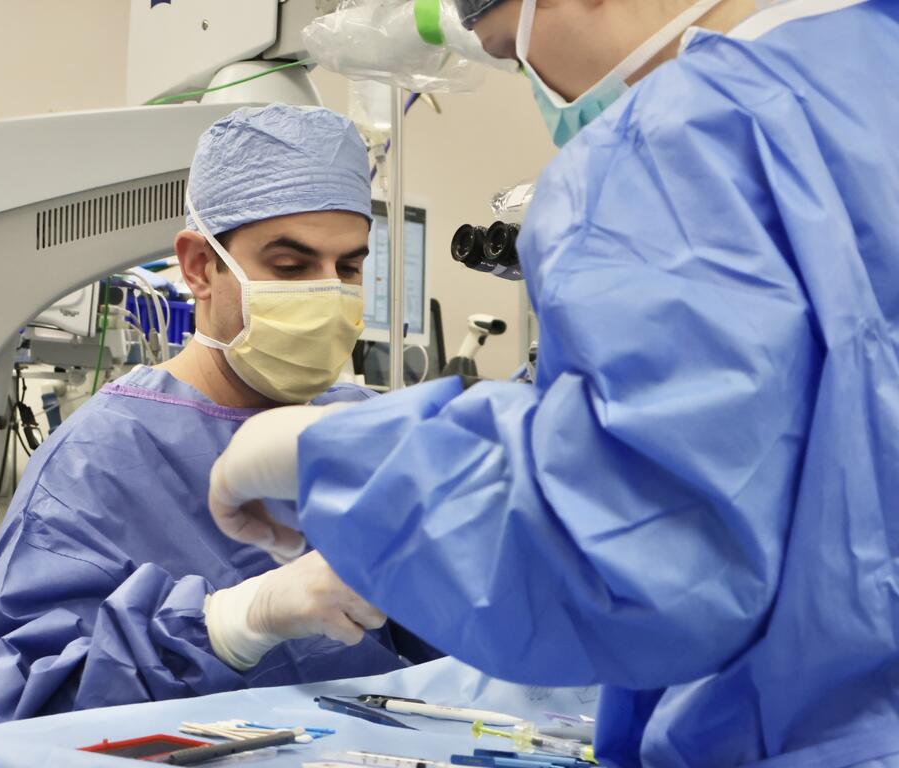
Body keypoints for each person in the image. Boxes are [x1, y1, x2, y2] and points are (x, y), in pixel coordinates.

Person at [206, 2, 899, 766]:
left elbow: (630, 555)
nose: (541, 90)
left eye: (508, 51)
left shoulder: (695, 134)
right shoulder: (869, 73)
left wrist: (335, 459)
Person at [0, 104, 436, 733]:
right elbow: (5, 719)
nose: (326, 294)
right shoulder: (98, 463)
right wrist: (231, 626)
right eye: (290, 267)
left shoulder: (361, 431)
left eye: (347, 268)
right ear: (200, 266)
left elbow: (467, 651)